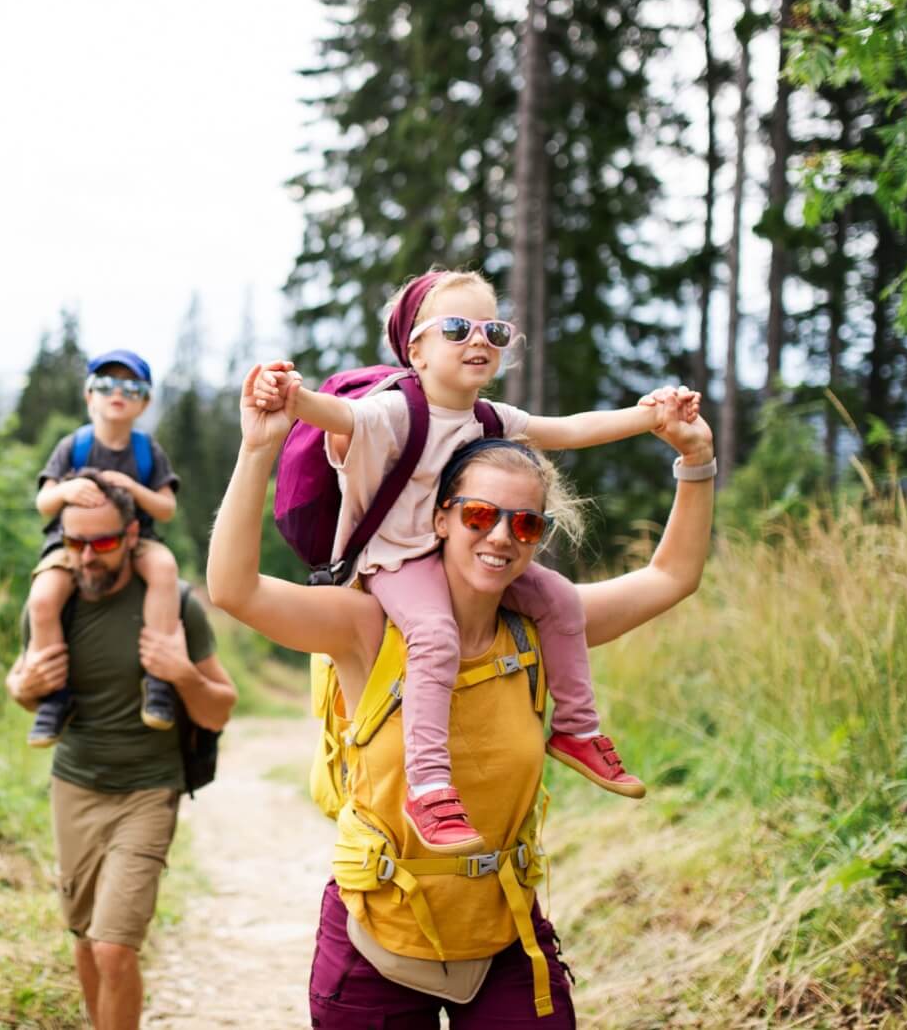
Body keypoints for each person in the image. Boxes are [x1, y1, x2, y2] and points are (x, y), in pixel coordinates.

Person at [209, 362, 716, 1026]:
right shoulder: (368, 627)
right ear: (440, 518)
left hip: (505, 937)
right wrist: (257, 449)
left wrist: (697, 460)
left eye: (526, 525)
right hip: (374, 943)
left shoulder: (543, 630)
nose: (502, 537)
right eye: (479, 515)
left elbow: (672, 575)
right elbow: (234, 590)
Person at [254, 269, 699, 853]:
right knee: (435, 635)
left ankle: (575, 730)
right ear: (416, 348)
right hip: (396, 564)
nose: (480, 341)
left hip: (453, 555)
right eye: (458, 328)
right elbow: (339, 417)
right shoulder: (393, 411)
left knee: (561, 598)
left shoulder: (488, 419)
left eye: (494, 329)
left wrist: (651, 418)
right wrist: (289, 397)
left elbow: (565, 431)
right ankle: (430, 786)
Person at [6, 470, 237, 1030]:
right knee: (85, 941)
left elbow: (219, 707)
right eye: (74, 542)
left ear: (132, 536)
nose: (87, 557)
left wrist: (181, 674)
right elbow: (21, 686)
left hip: (147, 791)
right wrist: (23, 686)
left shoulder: (176, 606)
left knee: (114, 947)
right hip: (75, 787)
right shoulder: (53, 604)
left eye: (103, 542)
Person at [26, 348, 185, 746]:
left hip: (136, 538)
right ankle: (54, 696)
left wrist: (132, 488)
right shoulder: (73, 447)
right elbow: (43, 503)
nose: (118, 394)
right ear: (89, 396)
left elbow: (166, 508)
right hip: (74, 543)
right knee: (44, 600)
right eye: (106, 385)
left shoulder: (147, 451)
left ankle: (158, 680)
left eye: (131, 388)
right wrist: (64, 489)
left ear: (145, 402)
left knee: (165, 571)